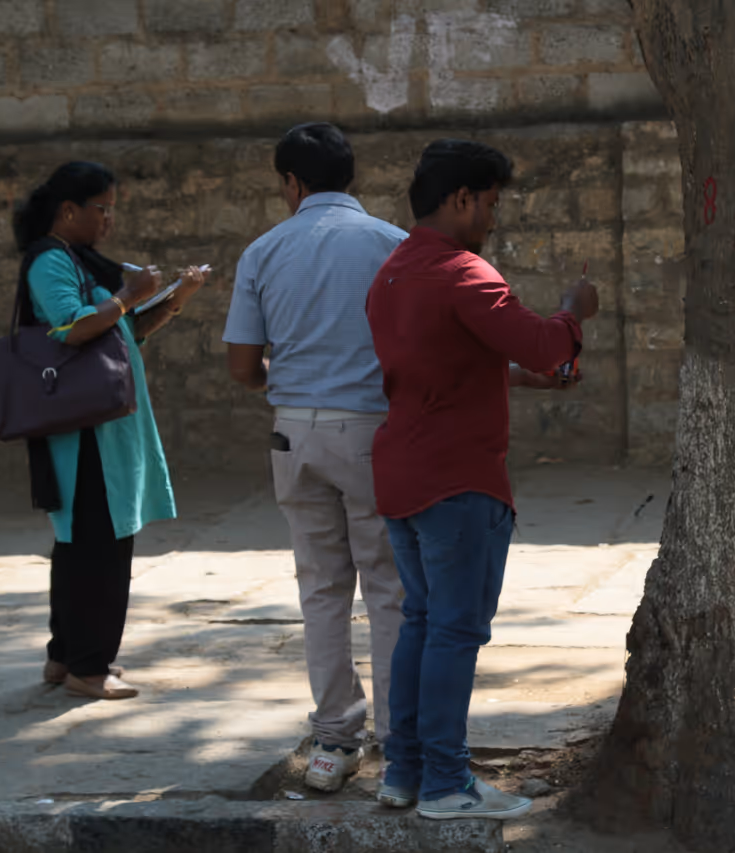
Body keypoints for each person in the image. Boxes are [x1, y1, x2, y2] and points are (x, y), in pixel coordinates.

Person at [366, 139, 599, 820]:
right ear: (462, 198)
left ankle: (404, 771)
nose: (492, 219)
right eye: (491, 204)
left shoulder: (392, 274)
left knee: (422, 620)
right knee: (454, 630)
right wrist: (573, 310)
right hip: (457, 478)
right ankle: (446, 783)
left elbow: (447, 357)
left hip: (402, 472)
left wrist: (520, 371)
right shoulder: (463, 272)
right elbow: (543, 344)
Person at [223, 123, 409, 793]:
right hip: (372, 432)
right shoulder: (394, 243)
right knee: (389, 585)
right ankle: (399, 740)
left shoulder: (265, 250)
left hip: (295, 433)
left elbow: (244, 365)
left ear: (291, 184)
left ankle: (334, 740)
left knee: (322, 589)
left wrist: (288, 372)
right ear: (349, 177)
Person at [14, 161, 206, 701]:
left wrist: (172, 298)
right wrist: (125, 293)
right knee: (100, 545)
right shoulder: (51, 262)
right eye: (102, 210)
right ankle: (88, 668)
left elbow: (121, 332)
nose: (109, 222)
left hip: (102, 427)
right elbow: (73, 328)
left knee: (81, 542)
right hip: (84, 434)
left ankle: (65, 657)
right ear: (69, 210)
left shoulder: (78, 260)